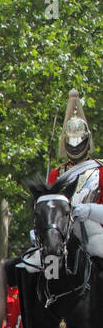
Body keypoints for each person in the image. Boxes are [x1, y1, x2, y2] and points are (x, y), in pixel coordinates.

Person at [49, 91, 103, 257]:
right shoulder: (56, 173)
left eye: (78, 141)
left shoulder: (100, 170)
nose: (74, 146)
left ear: (86, 140)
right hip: (60, 234)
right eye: (71, 141)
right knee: (31, 266)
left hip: (94, 231)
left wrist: (89, 210)